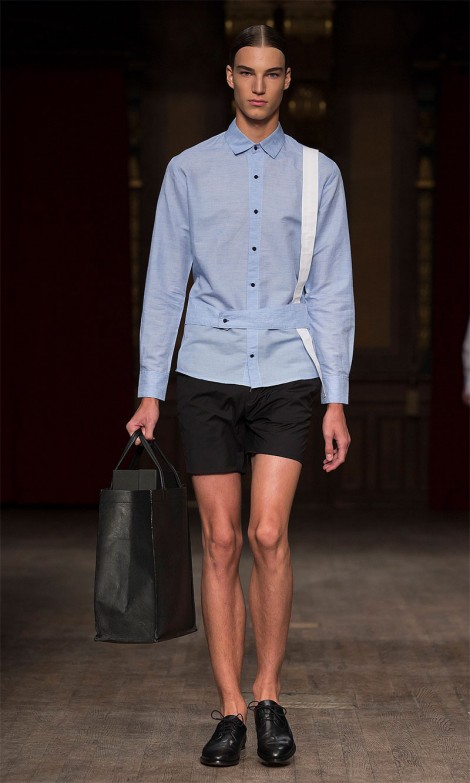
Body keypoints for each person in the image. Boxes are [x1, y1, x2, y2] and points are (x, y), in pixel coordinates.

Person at [127, 24, 354, 767]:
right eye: (247, 72)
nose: (259, 86)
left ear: (288, 81)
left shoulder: (318, 174)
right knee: (220, 540)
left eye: (272, 73)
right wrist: (151, 390)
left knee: (267, 533)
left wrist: (337, 397)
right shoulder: (188, 170)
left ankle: (268, 695)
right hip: (207, 370)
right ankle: (229, 707)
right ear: (230, 76)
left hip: (288, 369)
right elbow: (165, 284)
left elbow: (333, 290)